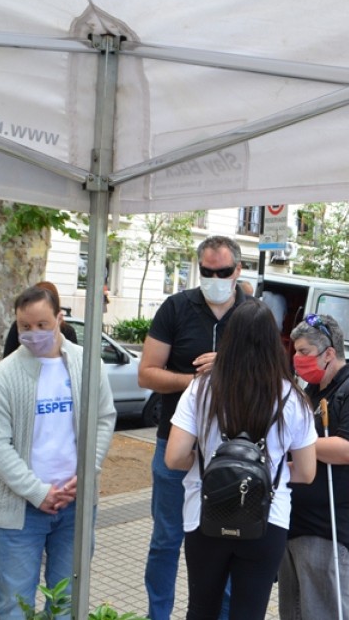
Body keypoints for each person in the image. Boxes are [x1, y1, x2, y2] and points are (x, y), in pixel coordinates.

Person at [164, 299, 316, 620]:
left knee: (202, 609)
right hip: (267, 518)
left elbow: (174, 457)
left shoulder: (201, 389)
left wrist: (202, 460)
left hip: (205, 513)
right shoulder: (292, 397)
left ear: (228, 340)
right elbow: (306, 472)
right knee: (249, 613)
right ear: (274, 343)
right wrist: (271, 469)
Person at [0, 285, 117, 619]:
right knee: (15, 605)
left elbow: (103, 419)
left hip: (76, 507)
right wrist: (37, 492)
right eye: (25, 327)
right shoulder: (4, 376)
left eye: (42, 324)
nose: (33, 333)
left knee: (68, 603)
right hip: (20, 512)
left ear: (59, 318)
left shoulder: (88, 365)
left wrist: (86, 475)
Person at [138, 235, 250, 620]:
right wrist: (197, 382)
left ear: (238, 270)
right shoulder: (176, 308)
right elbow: (146, 373)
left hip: (236, 452)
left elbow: (272, 377)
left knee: (227, 543)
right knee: (167, 540)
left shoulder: (254, 314)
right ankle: (159, 615)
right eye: (207, 271)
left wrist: (229, 368)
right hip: (175, 446)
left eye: (222, 271)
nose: (214, 278)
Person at [279, 314, 349, 620]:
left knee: (323, 612)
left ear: (329, 353)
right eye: (296, 352)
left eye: (304, 352)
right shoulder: (314, 390)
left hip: (329, 525)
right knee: (295, 611)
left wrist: (291, 445)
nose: (297, 359)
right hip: (296, 520)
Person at [3, 281, 77, 358]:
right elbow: (8, 355)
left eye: (41, 325)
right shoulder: (17, 327)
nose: (34, 336)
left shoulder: (68, 332)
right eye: (26, 327)